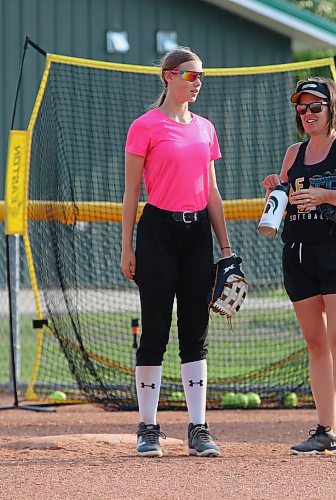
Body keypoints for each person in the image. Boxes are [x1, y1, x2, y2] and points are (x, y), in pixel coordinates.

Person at [262, 77, 336, 458]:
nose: (308, 113)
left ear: (332, 108)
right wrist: (274, 189)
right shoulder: (293, 154)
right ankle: (325, 430)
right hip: (299, 253)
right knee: (316, 344)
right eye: (301, 107)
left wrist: (325, 194)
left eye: (316, 106)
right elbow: (285, 199)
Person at [121, 47, 232, 458]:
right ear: (169, 77)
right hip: (157, 231)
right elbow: (133, 191)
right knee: (154, 330)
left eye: (201, 76)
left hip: (197, 232)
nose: (197, 82)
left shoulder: (205, 128)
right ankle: (148, 427)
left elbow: (213, 192)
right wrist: (126, 246)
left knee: (195, 331)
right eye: (190, 75)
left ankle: (198, 428)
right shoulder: (145, 126)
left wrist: (226, 248)